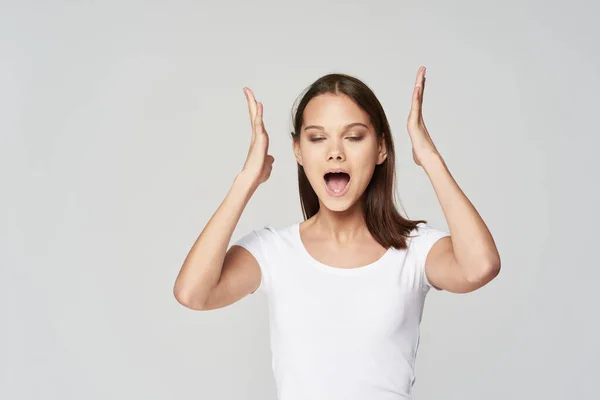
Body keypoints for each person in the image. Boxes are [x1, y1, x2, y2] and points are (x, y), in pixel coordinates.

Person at [173, 66, 501, 400]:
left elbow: (480, 266)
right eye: (317, 138)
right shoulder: (274, 251)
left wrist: (429, 158)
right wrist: (246, 180)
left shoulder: (414, 249)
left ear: (381, 149)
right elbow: (193, 293)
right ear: (298, 151)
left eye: (354, 137)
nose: (335, 152)